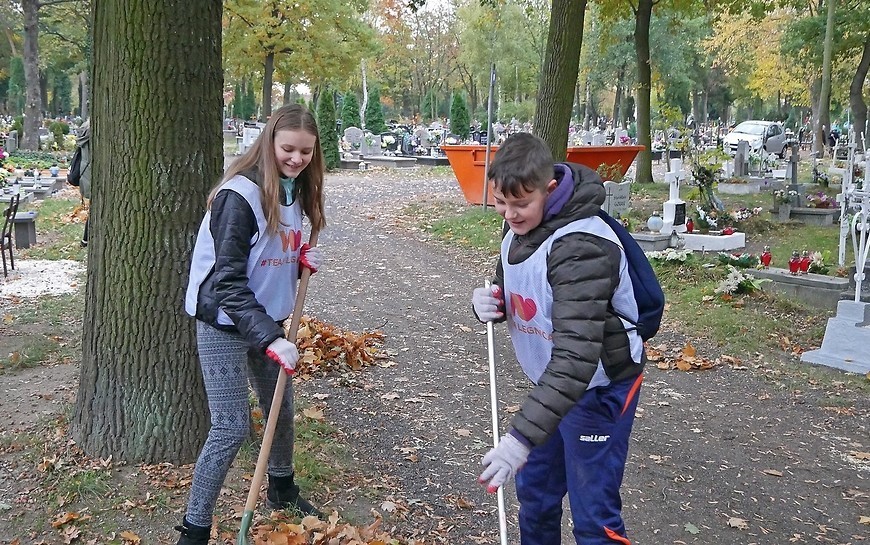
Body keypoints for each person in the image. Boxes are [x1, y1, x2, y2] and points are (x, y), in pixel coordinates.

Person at [471, 132, 645, 545]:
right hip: (553, 389)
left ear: (549, 190)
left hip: (599, 387)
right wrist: (488, 303)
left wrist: (518, 441)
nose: (510, 214)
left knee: (593, 514)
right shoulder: (519, 229)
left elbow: (576, 358)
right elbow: (516, 286)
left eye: (521, 204)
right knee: (536, 496)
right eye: (501, 202)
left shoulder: (581, 247)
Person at [176, 104, 327, 545]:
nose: (296, 159)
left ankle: (281, 489)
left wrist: (299, 258)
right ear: (268, 143)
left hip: (269, 319)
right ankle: (194, 528)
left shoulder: (295, 191)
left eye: (305, 152)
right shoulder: (238, 197)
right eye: (288, 150)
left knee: (281, 409)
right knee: (231, 426)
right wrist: (270, 339)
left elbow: (271, 250)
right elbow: (228, 280)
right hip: (224, 322)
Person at [76, 119, 92, 247]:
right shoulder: (93, 128)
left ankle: (85, 240)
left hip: (86, 172)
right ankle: (85, 240)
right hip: (91, 173)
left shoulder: (86, 127)